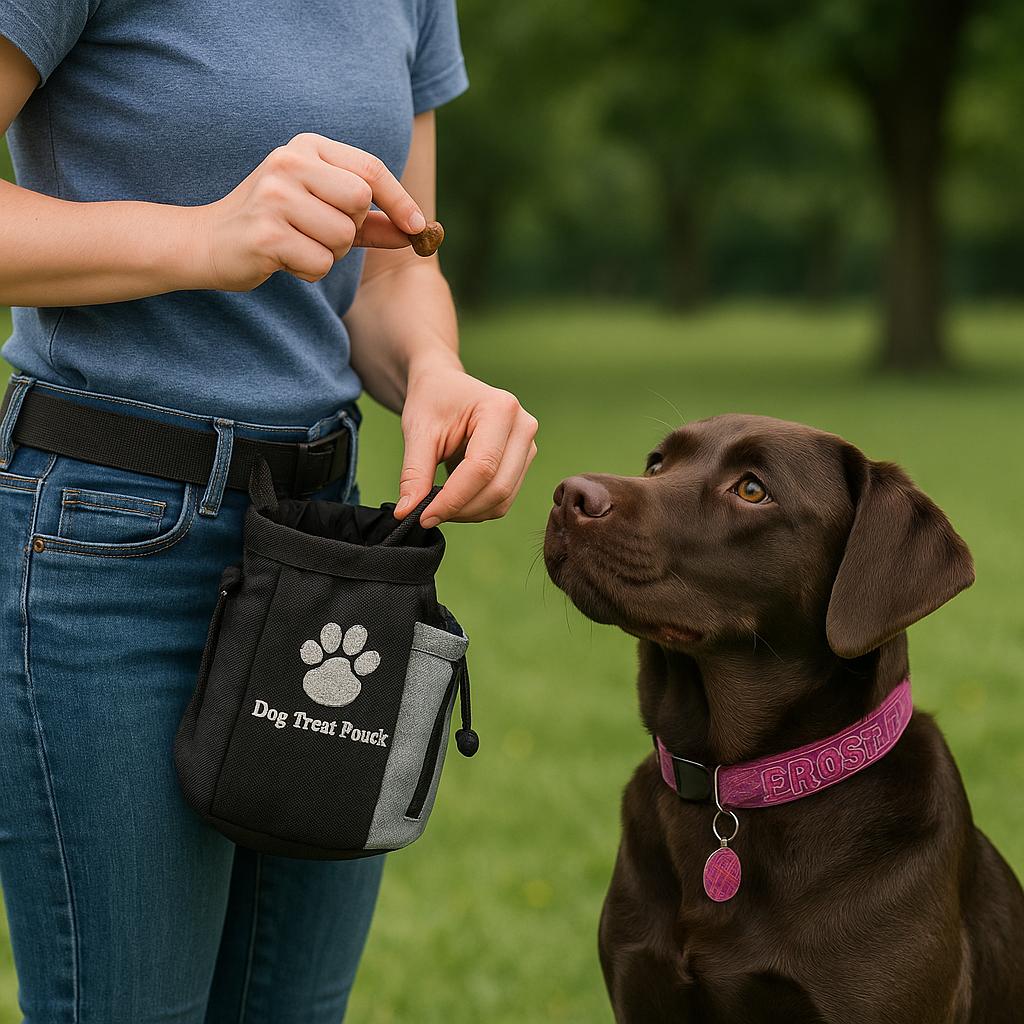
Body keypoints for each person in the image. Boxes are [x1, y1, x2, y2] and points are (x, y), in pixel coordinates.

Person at [0, 2, 537, 1021]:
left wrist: (435, 369)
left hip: (322, 546)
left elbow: (392, 269)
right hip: (106, 540)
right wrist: (202, 238)